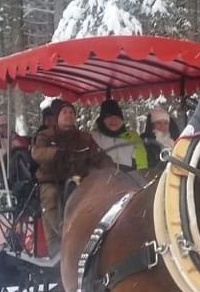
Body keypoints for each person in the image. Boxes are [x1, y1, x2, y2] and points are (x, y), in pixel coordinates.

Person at [31, 100, 113, 255]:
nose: (68, 115)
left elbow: (99, 156)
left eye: (71, 113)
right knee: (51, 196)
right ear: (57, 117)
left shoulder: (84, 138)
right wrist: (54, 152)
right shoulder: (45, 135)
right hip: (51, 180)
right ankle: (60, 239)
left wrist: (111, 170)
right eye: (64, 113)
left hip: (78, 180)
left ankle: (94, 236)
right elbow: (37, 153)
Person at [91, 99, 148, 171]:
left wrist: (141, 172)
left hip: (127, 176)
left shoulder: (131, 136)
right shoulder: (94, 137)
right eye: (109, 117)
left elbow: (141, 162)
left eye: (117, 117)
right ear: (102, 120)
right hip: (102, 177)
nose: (113, 120)